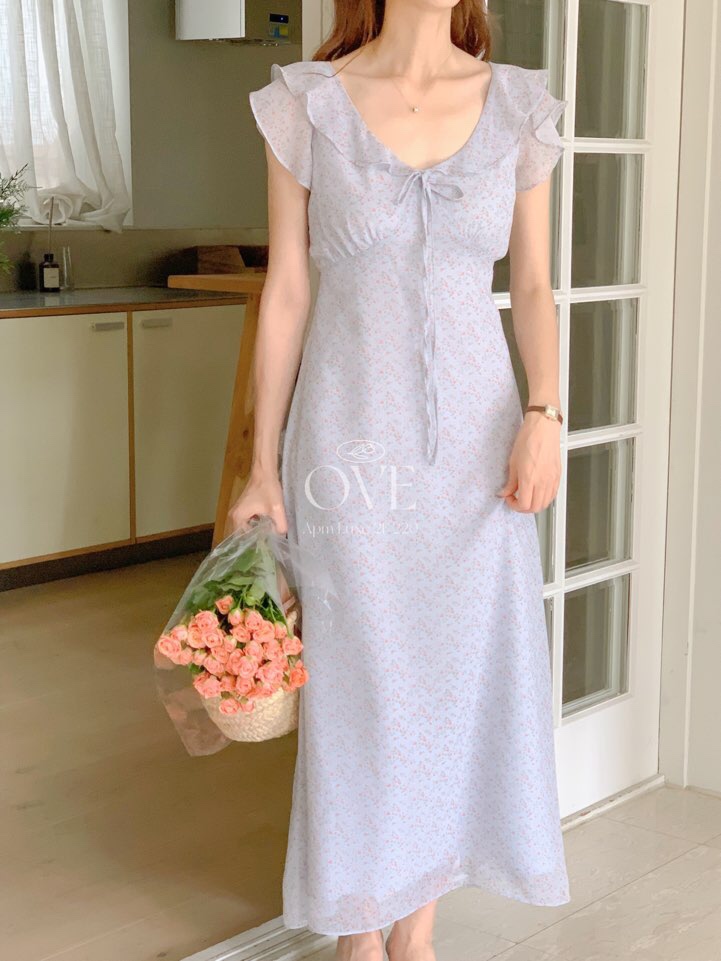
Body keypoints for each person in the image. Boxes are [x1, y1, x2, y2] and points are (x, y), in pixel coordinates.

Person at [231, 1, 571, 958]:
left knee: (457, 680)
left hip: (478, 450)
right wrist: (260, 464)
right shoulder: (306, 103)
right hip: (349, 444)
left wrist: (545, 413)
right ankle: (358, 927)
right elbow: (286, 291)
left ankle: (415, 930)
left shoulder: (519, 107)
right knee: (359, 683)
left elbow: (533, 285)